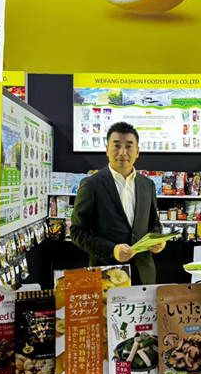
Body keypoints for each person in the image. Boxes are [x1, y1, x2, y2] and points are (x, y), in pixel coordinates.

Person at [70, 121, 166, 284]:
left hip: (144, 274)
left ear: (137, 152)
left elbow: (154, 224)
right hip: (107, 275)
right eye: (116, 146)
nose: (122, 152)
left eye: (129, 146)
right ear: (107, 150)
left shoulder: (147, 185)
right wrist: (112, 250)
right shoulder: (91, 185)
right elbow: (77, 231)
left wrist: (157, 239)